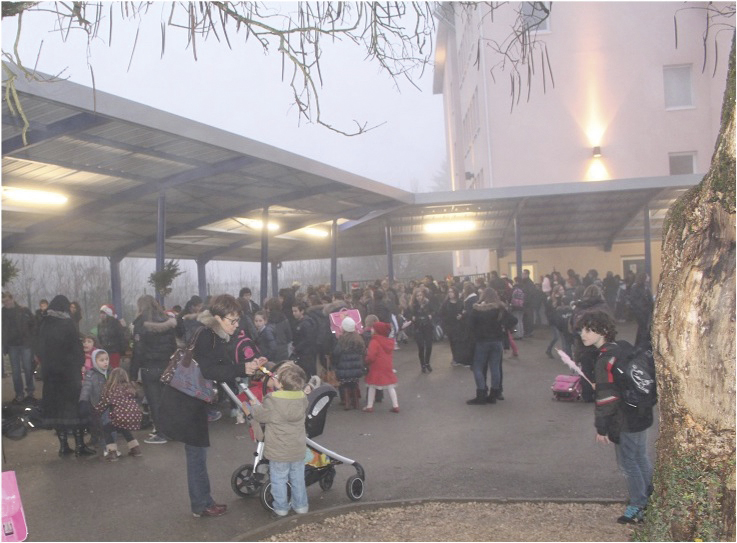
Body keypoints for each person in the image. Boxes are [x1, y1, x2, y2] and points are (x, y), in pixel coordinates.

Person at [158, 294, 258, 518]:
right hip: (187, 402)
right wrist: (243, 369)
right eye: (232, 320)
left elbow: (219, 364)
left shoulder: (211, 334)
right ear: (218, 318)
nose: (236, 325)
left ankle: (203, 501)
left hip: (189, 399)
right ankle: (201, 504)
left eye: (237, 320)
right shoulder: (208, 336)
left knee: (197, 452)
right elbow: (210, 370)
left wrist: (244, 366)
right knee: (196, 454)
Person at [576, 311, 654, 525]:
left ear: (602, 331)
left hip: (625, 418)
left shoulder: (604, 359)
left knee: (628, 462)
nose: (583, 334)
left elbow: (606, 400)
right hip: (641, 410)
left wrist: (602, 429)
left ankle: (638, 506)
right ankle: (650, 498)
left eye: (588, 329)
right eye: (582, 329)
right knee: (640, 456)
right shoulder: (623, 346)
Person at [37, 295, 96, 457]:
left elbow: (39, 348)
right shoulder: (68, 323)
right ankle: (80, 445)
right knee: (74, 410)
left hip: (51, 375)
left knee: (57, 410)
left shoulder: (44, 323)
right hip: (68, 375)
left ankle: (63, 446)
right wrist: (80, 363)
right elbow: (76, 348)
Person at [250, 363, 310, 518]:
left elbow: (260, 416)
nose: (273, 377)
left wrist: (255, 406)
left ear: (281, 383)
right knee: (297, 478)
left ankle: (281, 508)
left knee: (278, 479)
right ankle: (301, 506)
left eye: (276, 376)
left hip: (278, 450)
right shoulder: (302, 398)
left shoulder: (272, 400)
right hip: (297, 448)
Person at [130, 295, 177, 445]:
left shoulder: (140, 322)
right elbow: (173, 346)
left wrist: (132, 373)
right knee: (167, 400)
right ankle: (171, 430)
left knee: (154, 401)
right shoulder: (166, 320)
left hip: (149, 367)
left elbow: (138, 350)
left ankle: (161, 433)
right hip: (166, 365)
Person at [467, 288, 516, 405]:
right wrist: (503, 327)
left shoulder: (477, 309)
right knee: (495, 368)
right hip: (497, 341)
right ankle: (494, 394)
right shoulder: (500, 308)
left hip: (482, 342)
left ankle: (481, 393)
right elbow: (514, 320)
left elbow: (469, 325)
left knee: (478, 367)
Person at [569, 285, 613, 402]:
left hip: (583, 344)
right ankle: (601, 393)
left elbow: (573, 326)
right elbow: (610, 324)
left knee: (586, 369)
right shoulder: (603, 307)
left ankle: (587, 395)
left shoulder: (579, 307)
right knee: (602, 369)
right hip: (600, 344)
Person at [95, 367, 143, 461]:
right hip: (135, 416)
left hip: (120, 416)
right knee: (124, 428)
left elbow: (103, 404)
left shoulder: (110, 389)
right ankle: (136, 449)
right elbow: (138, 396)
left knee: (106, 429)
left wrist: (96, 412)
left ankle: (112, 452)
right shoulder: (130, 387)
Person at [2, 292, 36, 404]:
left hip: (25, 343)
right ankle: (19, 393)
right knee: (15, 371)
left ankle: (30, 391)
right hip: (12, 345)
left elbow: (33, 324)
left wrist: (31, 338)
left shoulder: (23, 310)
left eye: (6, 300)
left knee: (27, 368)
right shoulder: (3, 313)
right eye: (3, 302)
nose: (5, 303)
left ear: (12, 299)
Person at [362, 321, 399, 413]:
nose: (371, 330)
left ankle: (369, 406)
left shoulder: (374, 341)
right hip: (387, 366)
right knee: (390, 386)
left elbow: (371, 356)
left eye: (373, 328)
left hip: (376, 366)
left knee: (372, 385)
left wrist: (366, 361)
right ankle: (395, 405)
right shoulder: (389, 342)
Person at [331, 317, 366, 410]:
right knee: (354, 384)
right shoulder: (358, 339)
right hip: (356, 368)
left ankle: (347, 403)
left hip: (344, 368)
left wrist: (334, 365)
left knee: (345, 385)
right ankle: (356, 403)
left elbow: (336, 353)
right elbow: (363, 351)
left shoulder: (342, 340)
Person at [79, 348, 109, 451]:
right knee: (97, 424)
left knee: (107, 424)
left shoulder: (111, 372)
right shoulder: (91, 374)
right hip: (96, 403)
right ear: (94, 362)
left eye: (106, 359)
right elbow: (86, 388)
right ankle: (100, 441)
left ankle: (108, 445)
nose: (105, 362)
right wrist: (83, 400)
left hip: (110, 403)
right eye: (101, 360)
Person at [409, 288, 434, 373]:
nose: (419, 297)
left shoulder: (428, 303)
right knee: (421, 347)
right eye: (417, 296)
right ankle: (422, 364)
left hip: (427, 326)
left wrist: (430, 315)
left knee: (429, 346)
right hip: (418, 327)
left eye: (420, 295)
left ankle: (427, 362)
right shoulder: (413, 305)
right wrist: (412, 317)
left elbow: (434, 311)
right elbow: (408, 314)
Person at [292, 301, 318, 378]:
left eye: (296, 311)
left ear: (302, 311)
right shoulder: (300, 322)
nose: (294, 313)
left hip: (306, 353)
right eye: (293, 311)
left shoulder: (306, 323)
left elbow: (308, 339)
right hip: (303, 352)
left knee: (306, 373)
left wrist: (297, 347)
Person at [439, 286, 464, 367]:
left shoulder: (460, 302)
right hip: (450, 325)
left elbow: (464, 311)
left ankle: (460, 358)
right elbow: (441, 314)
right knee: (453, 342)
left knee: (460, 342)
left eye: (452, 292)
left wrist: (462, 316)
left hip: (459, 325)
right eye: (449, 292)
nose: (450, 294)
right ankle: (455, 358)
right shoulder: (446, 303)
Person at [97, 304, 128, 369]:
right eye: (101, 313)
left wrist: (122, 351)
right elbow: (99, 338)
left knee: (114, 369)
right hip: (104, 351)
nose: (102, 315)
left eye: (104, 313)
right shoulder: (100, 325)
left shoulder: (115, 323)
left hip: (114, 351)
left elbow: (121, 337)